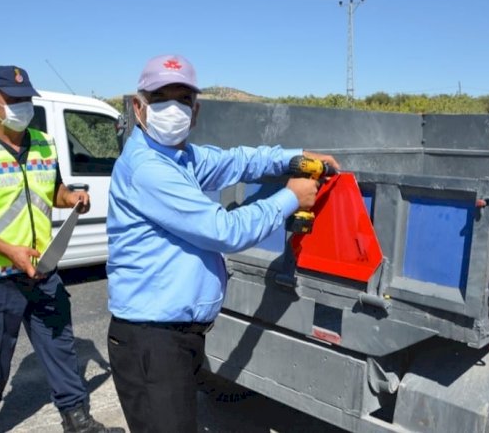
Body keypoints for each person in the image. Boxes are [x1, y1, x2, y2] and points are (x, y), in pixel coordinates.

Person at [106, 54, 340, 432]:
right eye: (161, 97)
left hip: (173, 339)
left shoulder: (181, 158)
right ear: (138, 106)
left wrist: (293, 159)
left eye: (183, 100)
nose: (174, 108)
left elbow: (237, 162)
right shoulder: (148, 169)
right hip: (151, 342)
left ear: (195, 112)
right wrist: (290, 198)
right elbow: (224, 231)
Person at [0, 66, 116, 433]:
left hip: (42, 270)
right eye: (14, 100)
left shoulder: (43, 142)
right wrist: (9, 250)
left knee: (60, 346)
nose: (24, 106)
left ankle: (76, 417)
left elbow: (53, 190)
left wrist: (72, 198)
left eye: (27, 99)